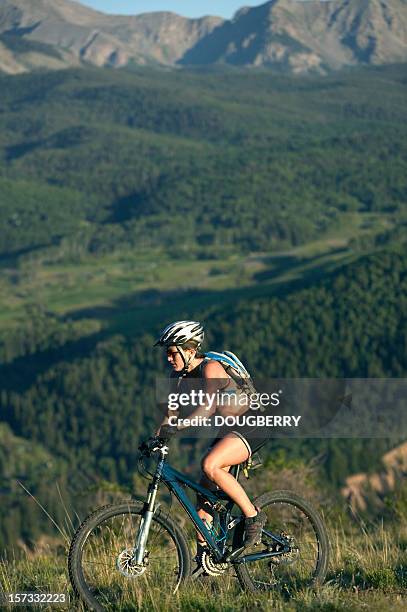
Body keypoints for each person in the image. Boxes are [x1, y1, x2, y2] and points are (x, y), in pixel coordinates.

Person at [154, 320, 267, 552]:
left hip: (254, 422)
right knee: (203, 499)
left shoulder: (211, 368)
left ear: (190, 351)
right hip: (230, 430)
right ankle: (206, 559)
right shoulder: (177, 378)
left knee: (210, 465)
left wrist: (178, 427)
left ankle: (253, 516)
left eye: (172, 352)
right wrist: (155, 439)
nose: (168, 358)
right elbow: (170, 414)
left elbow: (206, 408)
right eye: (167, 352)